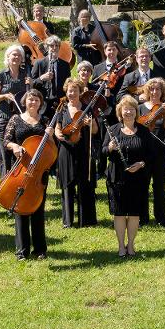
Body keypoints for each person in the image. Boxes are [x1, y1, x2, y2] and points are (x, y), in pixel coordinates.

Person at [3, 89, 52, 260]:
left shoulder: (45, 122)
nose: (33, 102)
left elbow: (51, 149)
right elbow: (6, 141)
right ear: (25, 101)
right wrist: (15, 147)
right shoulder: (16, 119)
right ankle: (21, 251)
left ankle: (40, 250)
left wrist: (51, 137)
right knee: (20, 209)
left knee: (38, 209)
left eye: (36, 100)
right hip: (20, 169)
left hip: (38, 173)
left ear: (40, 103)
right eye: (30, 99)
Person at [103, 96, 153, 257]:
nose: (129, 111)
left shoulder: (144, 131)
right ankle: (120, 246)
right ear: (120, 112)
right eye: (126, 109)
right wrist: (110, 147)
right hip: (117, 178)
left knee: (133, 213)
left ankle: (130, 245)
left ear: (136, 112)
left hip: (137, 178)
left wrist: (141, 164)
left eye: (132, 109)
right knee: (119, 213)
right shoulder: (113, 130)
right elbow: (102, 152)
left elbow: (150, 155)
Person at [54, 78, 99, 228]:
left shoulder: (87, 108)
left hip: (84, 150)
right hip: (66, 150)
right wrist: (58, 134)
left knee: (84, 184)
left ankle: (86, 220)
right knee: (67, 185)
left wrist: (90, 124)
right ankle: (68, 221)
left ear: (80, 92)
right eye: (69, 91)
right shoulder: (62, 108)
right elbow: (57, 128)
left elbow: (95, 131)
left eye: (75, 90)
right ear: (66, 92)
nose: (72, 93)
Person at [0, 44, 31, 179]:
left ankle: (17, 181)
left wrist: (30, 84)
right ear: (8, 57)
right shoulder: (1, 75)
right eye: (13, 54)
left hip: (19, 119)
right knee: (4, 152)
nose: (16, 57)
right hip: (4, 117)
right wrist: (5, 96)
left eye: (19, 55)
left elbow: (29, 95)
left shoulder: (26, 74)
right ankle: (4, 182)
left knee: (18, 149)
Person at [138, 78, 165, 226]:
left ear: (162, 91)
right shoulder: (140, 108)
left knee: (159, 186)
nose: (154, 92)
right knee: (143, 185)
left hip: (161, 152)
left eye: (157, 89)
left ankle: (161, 219)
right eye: (151, 89)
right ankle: (143, 218)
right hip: (143, 152)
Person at [30, 35, 71, 119]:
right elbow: (31, 83)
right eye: (51, 46)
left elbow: (68, 85)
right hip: (42, 102)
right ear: (47, 47)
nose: (54, 48)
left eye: (57, 46)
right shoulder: (39, 63)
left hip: (59, 103)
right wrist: (41, 78)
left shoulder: (65, 65)